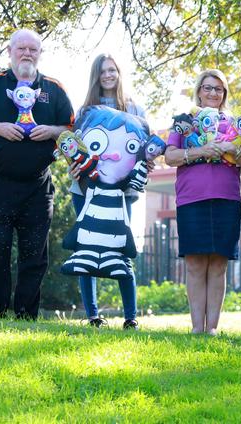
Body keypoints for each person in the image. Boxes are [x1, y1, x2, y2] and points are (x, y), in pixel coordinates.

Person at [0, 29, 74, 319]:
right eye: (22, 49)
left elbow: (71, 129)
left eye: (33, 49)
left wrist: (52, 131)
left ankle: (27, 316)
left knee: (34, 256)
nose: (27, 54)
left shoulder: (54, 89)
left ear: (40, 54)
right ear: (10, 51)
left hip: (38, 187)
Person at [164, 69, 241, 335]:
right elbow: (170, 157)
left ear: (224, 94)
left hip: (227, 198)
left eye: (218, 89)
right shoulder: (185, 121)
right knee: (194, 263)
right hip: (192, 198)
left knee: (218, 263)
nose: (213, 93)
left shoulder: (236, 125)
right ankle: (196, 327)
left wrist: (233, 150)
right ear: (199, 91)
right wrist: (200, 151)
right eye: (208, 88)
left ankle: (212, 328)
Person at [70, 53, 147, 330]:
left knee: (121, 249)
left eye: (112, 70)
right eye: (102, 71)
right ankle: (93, 316)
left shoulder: (135, 110)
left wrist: (138, 174)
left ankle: (131, 317)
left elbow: (144, 150)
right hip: (84, 190)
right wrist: (74, 167)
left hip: (121, 193)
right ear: (96, 75)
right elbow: (73, 148)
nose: (108, 75)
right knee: (85, 248)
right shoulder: (85, 110)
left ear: (119, 72)